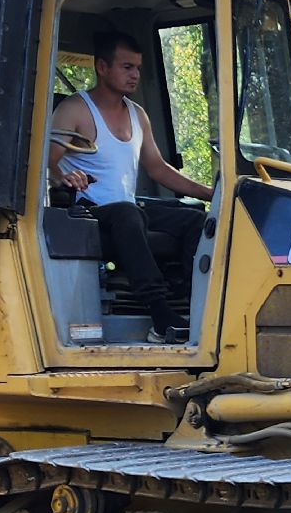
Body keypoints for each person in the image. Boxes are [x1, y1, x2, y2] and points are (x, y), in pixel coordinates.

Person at [48, 30, 213, 344]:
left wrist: (209, 193)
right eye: (126, 67)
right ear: (102, 67)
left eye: (137, 68)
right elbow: (50, 161)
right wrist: (64, 178)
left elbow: (158, 168)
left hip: (127, 210)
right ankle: (160, 312)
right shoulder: (75, 109)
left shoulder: (138, 115)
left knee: (196, 219)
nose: (135, 74)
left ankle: (193, 303)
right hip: (87, 211)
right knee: (127, 214)